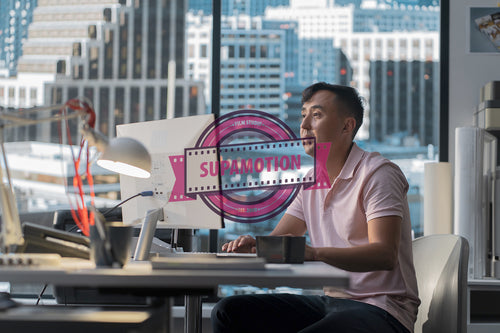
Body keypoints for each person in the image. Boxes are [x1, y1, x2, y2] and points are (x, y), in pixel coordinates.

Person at [211, 82, 420, 333]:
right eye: (303, 115)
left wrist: (314, 253)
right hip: (334, 301)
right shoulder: (312, 181)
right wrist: (254, 246)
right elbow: (283, 239)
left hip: (384, 310)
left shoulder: (377, 174)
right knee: (228, 312)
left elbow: (383, 255)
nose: (304, 125)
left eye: (317, 115)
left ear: (347, 125)